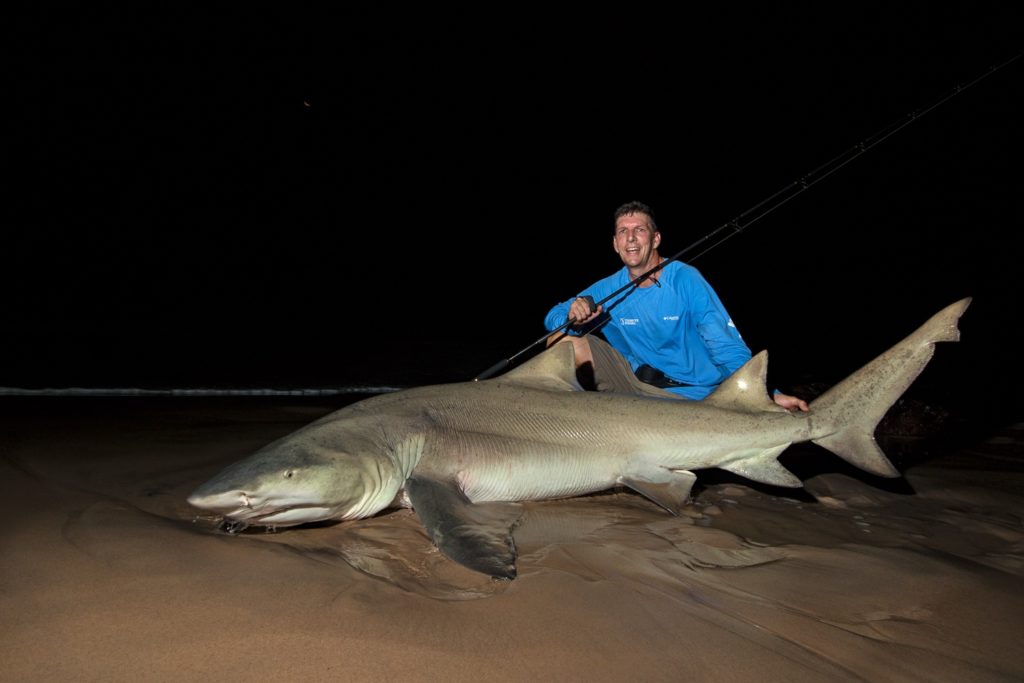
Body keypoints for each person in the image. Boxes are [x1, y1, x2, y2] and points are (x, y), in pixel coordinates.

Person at [543, 200, 809, 411]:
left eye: (640, 230)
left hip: (699, 393)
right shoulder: (607, 288)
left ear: (655, 239)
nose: (631, 238)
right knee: (560, 341)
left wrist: (765, 395)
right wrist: (572, 315)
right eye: (623, 232)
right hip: (640, 385)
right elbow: (553, 318)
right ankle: (580, 420)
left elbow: (726, 346)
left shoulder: (685, 279)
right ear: (615, 244)